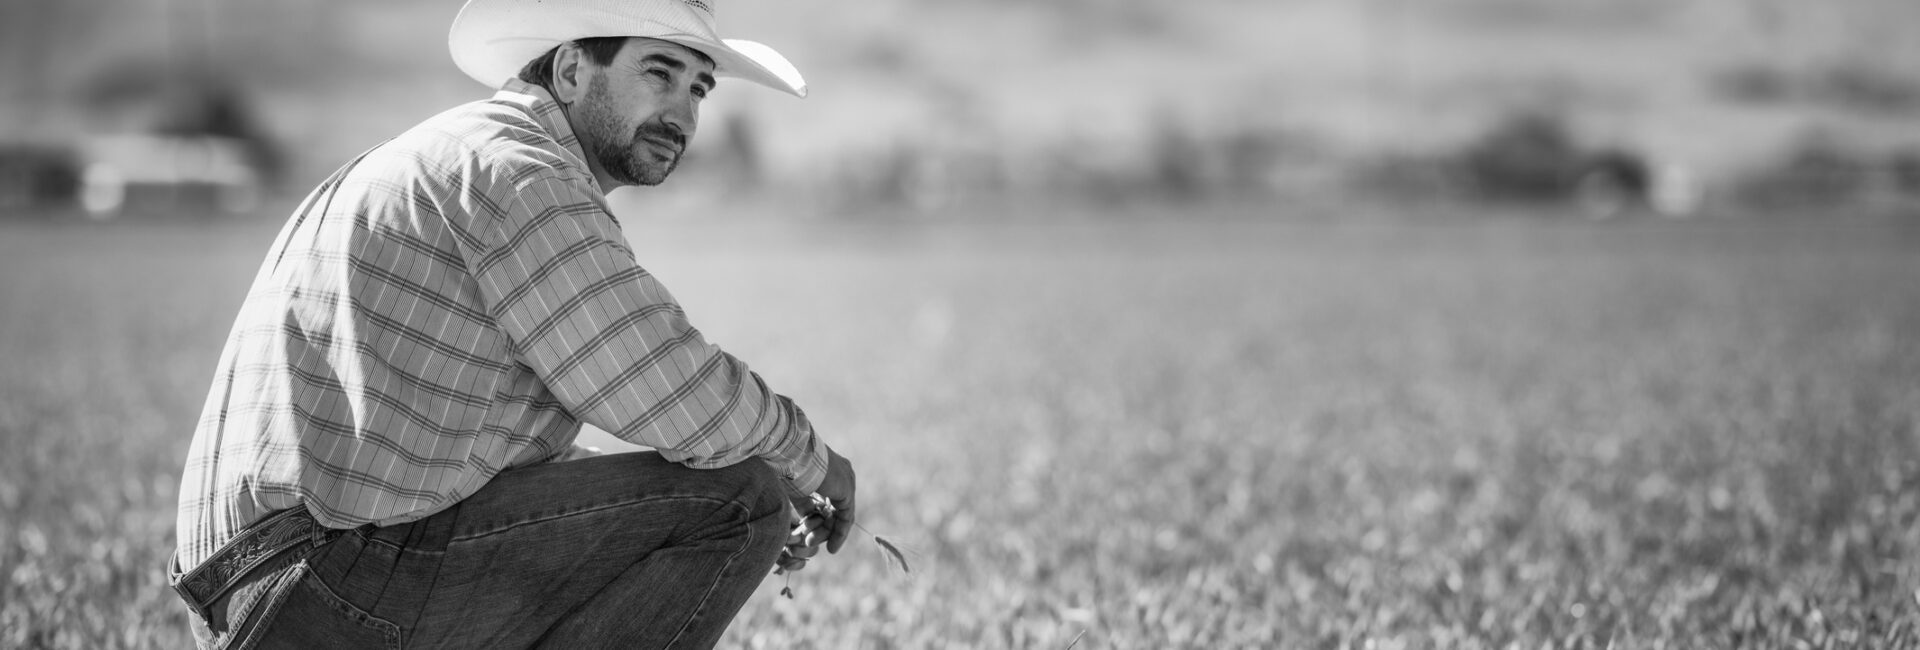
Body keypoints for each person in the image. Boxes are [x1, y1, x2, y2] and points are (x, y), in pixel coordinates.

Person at [166, 0, 856, 647]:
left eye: (699, 89)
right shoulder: (523, 176)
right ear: (571, 70)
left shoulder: (464, 152)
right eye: (659, 73)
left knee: (734, 482)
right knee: (739, 504)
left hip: (262, 586)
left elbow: (489, 464)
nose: (681, 112)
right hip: (327, 578)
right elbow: (664, 378)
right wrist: (812, 462)